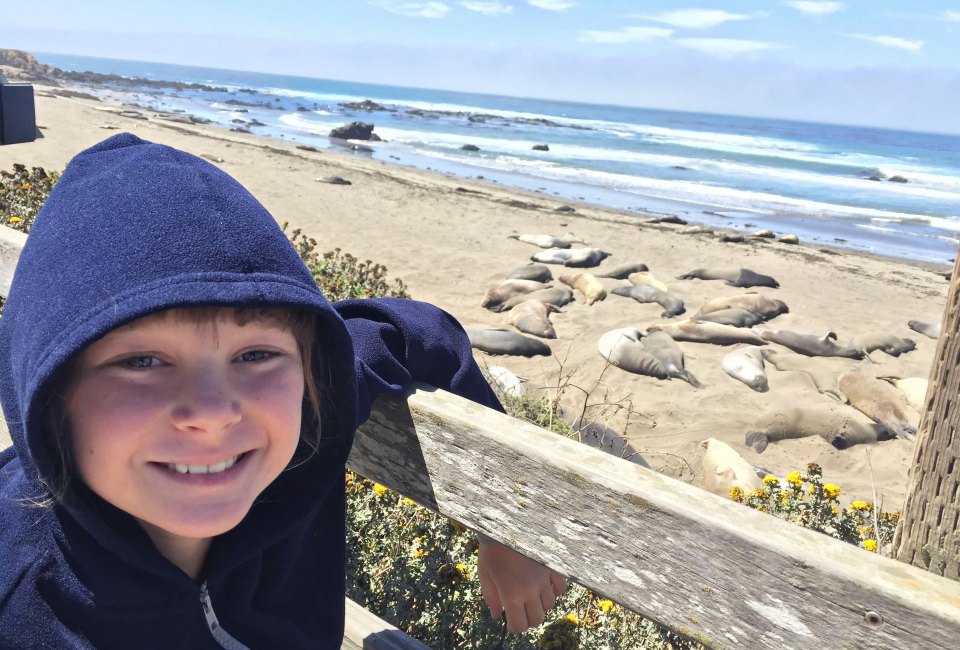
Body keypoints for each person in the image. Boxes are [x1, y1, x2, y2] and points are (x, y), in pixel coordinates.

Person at [0, 133, 566, 648]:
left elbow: (418, 332)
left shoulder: (308, 423)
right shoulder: (23, 597)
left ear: (308, 367)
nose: (214, 413)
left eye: (255, 354)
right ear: (50, 392)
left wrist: (501, 531)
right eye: (142, 361)